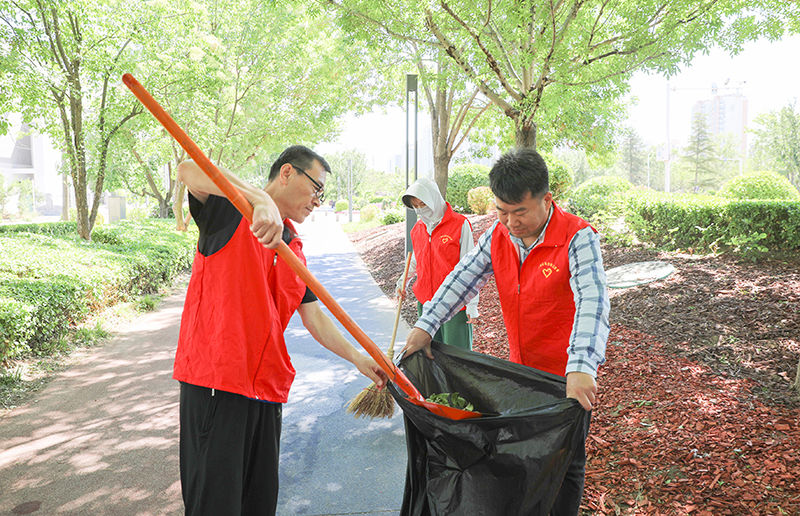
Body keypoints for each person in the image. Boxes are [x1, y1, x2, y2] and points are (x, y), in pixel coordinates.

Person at [173, 145, 388, 516]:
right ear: (287, 173)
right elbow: (188, 169)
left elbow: (314, 316)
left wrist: (358, 358)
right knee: (216, 504)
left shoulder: (292, 248)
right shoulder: (229, 210)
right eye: (317, 189)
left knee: (258, 503)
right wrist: (257, 199)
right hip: (218, 384)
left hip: (267, 391)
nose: (318, 201)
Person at [402, 148, 609, 516]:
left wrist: (581, 367)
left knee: (565, 462)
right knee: (524, 458)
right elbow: (461, 280)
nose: (511, 222)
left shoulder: (578, 238)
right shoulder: (497, 236)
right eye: (501, 211)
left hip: (565, 378)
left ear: (547, 199)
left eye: (520, 212)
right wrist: (425, 324)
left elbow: (592, 304)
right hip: (520, 374)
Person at [396, 178, 479, 350]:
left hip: (454, 304)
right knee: (432, 356)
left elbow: (471, 266)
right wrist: (402, 281)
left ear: (434, 199)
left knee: (458, 358)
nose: (420, 209)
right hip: (426, 303)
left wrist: (472, 304)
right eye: (416, 206)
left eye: (423, 203)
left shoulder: (460, 224)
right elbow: (415, 262)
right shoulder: (417, 229)